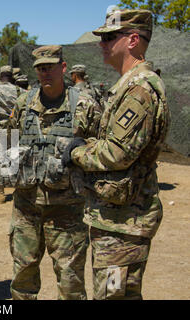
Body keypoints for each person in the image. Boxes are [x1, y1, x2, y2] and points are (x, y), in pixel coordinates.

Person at [63, 9, 170, 300]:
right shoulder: (128, 85)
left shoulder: (139, 89)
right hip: (116, 217)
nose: (102, 44)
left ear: (133, 39)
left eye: (110, 38)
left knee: (113, 296)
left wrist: (78, 153)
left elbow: (117, 153)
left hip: (125, 222)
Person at [8, 45, 102, 300]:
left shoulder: (84, 105)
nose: (45, 73)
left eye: (50, 67)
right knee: (22, 277)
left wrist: (84, 148)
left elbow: (103, 148)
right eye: (40, 68)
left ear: (63, 68)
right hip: (26, 207)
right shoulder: (23, 104)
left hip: (68, 210)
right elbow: (9, 139)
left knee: (70, 280)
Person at [0, 65, 20, 203]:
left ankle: (0, 193)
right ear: (11, 76)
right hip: (14, 128)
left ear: (0, 76)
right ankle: (18, 190)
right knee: (16, 158)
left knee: (0, 159)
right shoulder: (18, 90)